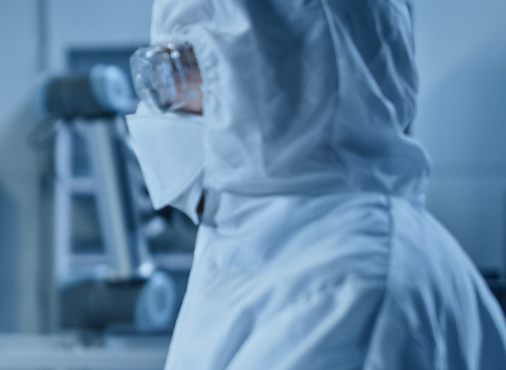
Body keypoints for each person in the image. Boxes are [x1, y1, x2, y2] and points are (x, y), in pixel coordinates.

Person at [124, 0, 506, 368]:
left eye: (181, 66)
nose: (160, 102)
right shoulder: (284, 243)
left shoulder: (347, 291)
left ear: (289, 69)